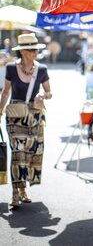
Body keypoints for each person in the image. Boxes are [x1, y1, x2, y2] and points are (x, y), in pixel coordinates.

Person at [0, 33, 52, 209]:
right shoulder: (11, 68)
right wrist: (0, 110)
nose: (36, 52)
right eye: (32, 49)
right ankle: (15, 193)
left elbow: (50, 92)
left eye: (36, 49)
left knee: (29, 155)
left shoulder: (42, 69)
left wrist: (43, 95)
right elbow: (6, 92)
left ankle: (23, 190)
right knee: (17, 153)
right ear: (22, 51)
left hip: (34, 116)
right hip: (15, 115)